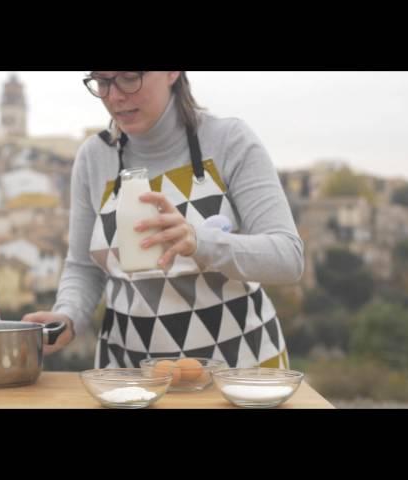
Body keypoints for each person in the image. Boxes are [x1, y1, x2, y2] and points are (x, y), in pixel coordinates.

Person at [23, 71, 304, 369]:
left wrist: (200, 242)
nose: (114, 96)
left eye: (129, 77)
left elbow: (288, 257)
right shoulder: (94, 157)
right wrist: (67, 315)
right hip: (129, 379)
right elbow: (83, 267)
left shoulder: (229, 140)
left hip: (242, 375)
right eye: (102, 82)